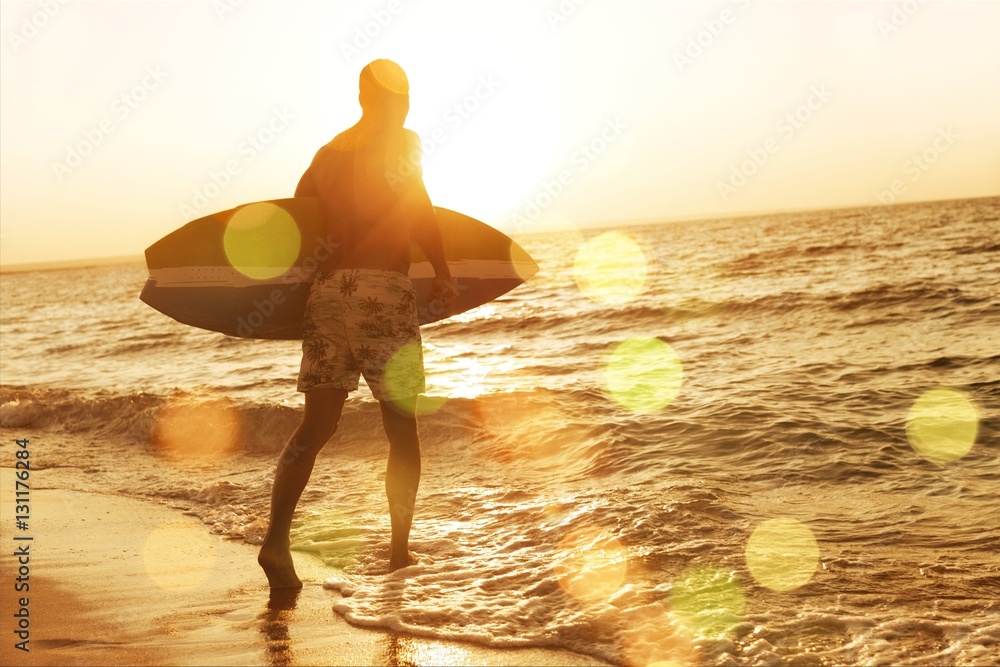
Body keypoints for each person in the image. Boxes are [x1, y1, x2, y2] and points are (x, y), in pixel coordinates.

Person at [258, 60, 455, 588]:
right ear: (381, 100)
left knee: (316, 426)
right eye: (401, 95)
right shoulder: (405, 140)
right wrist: (442, 270)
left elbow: (301, 216)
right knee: (401, 426)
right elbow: (420, 207)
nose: (406, 105)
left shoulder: (327, 154)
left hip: (327, 294)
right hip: (382, 293)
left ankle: (276, 542)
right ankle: (398, 552)